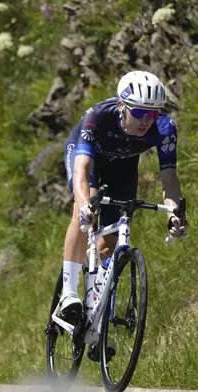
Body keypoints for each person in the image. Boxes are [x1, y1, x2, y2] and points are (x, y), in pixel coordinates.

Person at [58, 71, 188, 348]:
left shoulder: (164, 128)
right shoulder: (98, 115)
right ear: (121, 106)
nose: (145, 120)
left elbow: (169, 179)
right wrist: (84, 205)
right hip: (89, 161)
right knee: (84, 215)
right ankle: (68, 294)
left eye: (151, 114)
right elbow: (81, 170)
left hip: (123, 171)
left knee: (108, 246)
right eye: (139, 112)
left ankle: (96, 321)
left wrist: (175, 213)